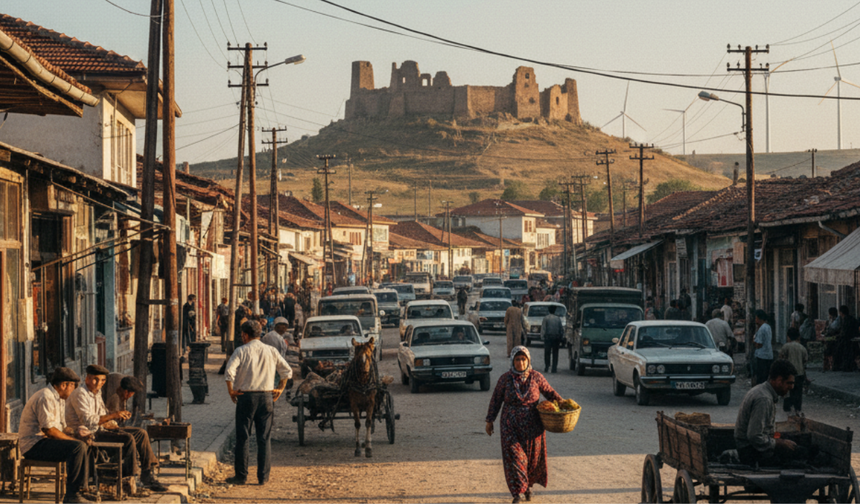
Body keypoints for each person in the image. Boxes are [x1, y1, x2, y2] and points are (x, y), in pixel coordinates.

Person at [65, 365, 165, 492]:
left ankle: (146, 474)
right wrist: (114, 415)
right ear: (87, 379)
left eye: (102, 380)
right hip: (86, 434)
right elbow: (88, 421)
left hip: (99, 430)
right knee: (127, 438)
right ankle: (128, 479)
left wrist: (112, 422)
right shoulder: (80, 393)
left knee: (140, 433)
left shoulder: (97, 393)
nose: (98, 383)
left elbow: (102, 414)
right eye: (95, 379)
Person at [485, 347, 563, 503]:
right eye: (517, 360)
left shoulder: (536, 377)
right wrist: (489, 420)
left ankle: (527, 487)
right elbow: (496, 400)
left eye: (523, 359)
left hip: (533, 426)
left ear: (528, 361)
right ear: (512, 361)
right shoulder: (505, 379)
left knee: (531, 459)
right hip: (510, 425)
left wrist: (563, 405)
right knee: (515, 458)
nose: (520, 363)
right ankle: (517, 494)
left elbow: (550, 393)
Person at [224, 320, 293, 486]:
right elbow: (287, 371)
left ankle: (241, 476)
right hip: (266, 397)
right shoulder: (271, 351)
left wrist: (231, 391)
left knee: (243, 437)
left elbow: (229, 373)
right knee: (264, 438)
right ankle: (263, 477)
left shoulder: (241, 351)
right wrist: (279, 389)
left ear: (246, 335)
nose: (242, 337)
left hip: (245, 397)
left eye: (242, 335)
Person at [19, 367, 91, 503]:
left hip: (44, 442)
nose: (73, 391)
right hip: (33, 446)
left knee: (84, 444)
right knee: (77, 447)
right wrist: (73, 440)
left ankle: (81, 489)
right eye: (72, 387)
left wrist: (77, 433)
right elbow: (49, 431)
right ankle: (71, 495)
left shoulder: (58, 398)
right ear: (64, 385)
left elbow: (61, 428)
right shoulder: (45, 397)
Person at [735, 359, 801, 467]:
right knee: (799, 459)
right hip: (751, 452)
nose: (792, 387)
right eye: (789, 383)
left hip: (753, 448)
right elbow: (754, 436)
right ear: (779, 380)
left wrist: (780, 439)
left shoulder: (764, 391)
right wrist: (779, 443)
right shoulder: (764, 399)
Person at [778, 328, 808, 415]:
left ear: (788, 337)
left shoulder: (786, 347)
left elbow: (781, 359)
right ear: (798, 337)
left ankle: (788, 409)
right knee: (798, 392)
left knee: (788, 391)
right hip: (799, 373)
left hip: (788, 373)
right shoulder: (802, 348)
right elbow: (805, 361)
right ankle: (797, 409)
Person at [540, 305, 564, 374]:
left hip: (548, 338)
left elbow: (543, 328)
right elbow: (561, 329)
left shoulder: (546, 318)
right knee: (555, 353)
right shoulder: (558, 319)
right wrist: (561, 337)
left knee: (547, 353)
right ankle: (554, 368)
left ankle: (547, 366)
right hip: (556, 338)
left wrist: (542, 337)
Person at [753, 310, 774, 386]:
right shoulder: (768, 327)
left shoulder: (762, 328)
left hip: (762, 355)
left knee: (761, 378)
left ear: (759, 318)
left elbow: (759, 344)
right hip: (768, 355)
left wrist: (754, 342)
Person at [834, 305, 858, 372]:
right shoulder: (851, 319)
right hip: (851, 338)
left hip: (847, 340)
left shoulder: (846, 320)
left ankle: (841, 365)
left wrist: (838, 336)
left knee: (838, 348)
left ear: (841, 312)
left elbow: (844, 332)